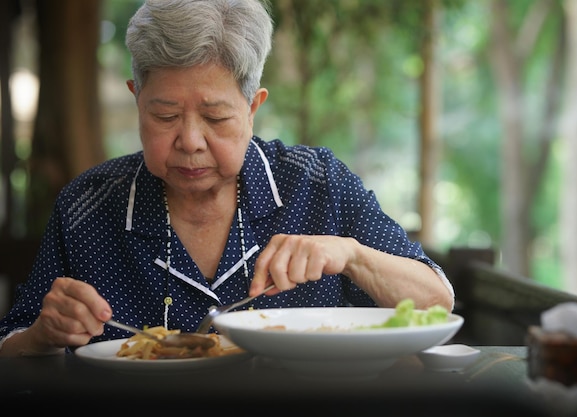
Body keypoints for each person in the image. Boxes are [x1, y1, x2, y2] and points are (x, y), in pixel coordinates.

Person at [0, 0, 454, 357]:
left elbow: (437, 302)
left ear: (253, 107)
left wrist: (352, 254)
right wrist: (43, 334)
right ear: (137, 99)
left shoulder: (318, 186)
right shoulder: (89, 205)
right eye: (165, 115)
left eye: (216, 117)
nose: (191, 141)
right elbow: (13, 341)